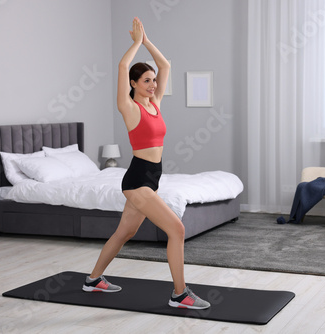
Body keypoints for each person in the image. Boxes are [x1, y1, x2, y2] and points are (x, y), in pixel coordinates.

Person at [82, 17, 211, 310]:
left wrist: (147, 39)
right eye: (147, 81)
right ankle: (179, 294)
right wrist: (136, 44)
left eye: (153, 81)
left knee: (124, 232)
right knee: (176, 229)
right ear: (134, 85)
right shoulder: (128, 108)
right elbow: (121, 67)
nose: (153, 85)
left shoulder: (155, 104)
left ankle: (93, 280)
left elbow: (166, 66)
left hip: (153, 177)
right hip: (138, 180)